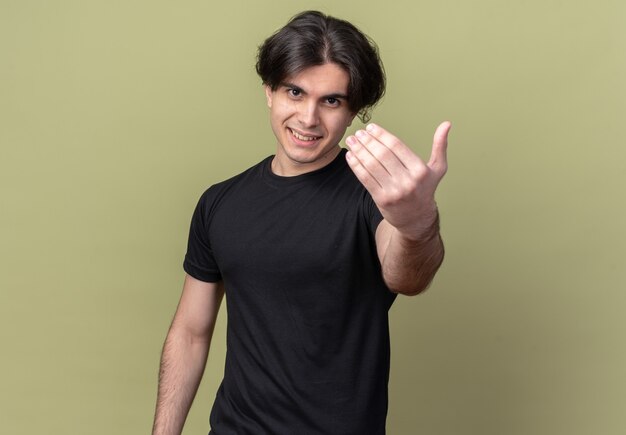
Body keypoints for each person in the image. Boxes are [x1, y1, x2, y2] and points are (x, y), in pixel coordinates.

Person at [152, 10, 450, 435]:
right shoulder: (219, 202)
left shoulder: (372, 195)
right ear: (269, 92)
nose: (308, 118)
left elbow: (407, 278)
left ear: (353, 113)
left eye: (332, 101)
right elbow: (190, 331)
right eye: (295, 92)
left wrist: (417, 225)